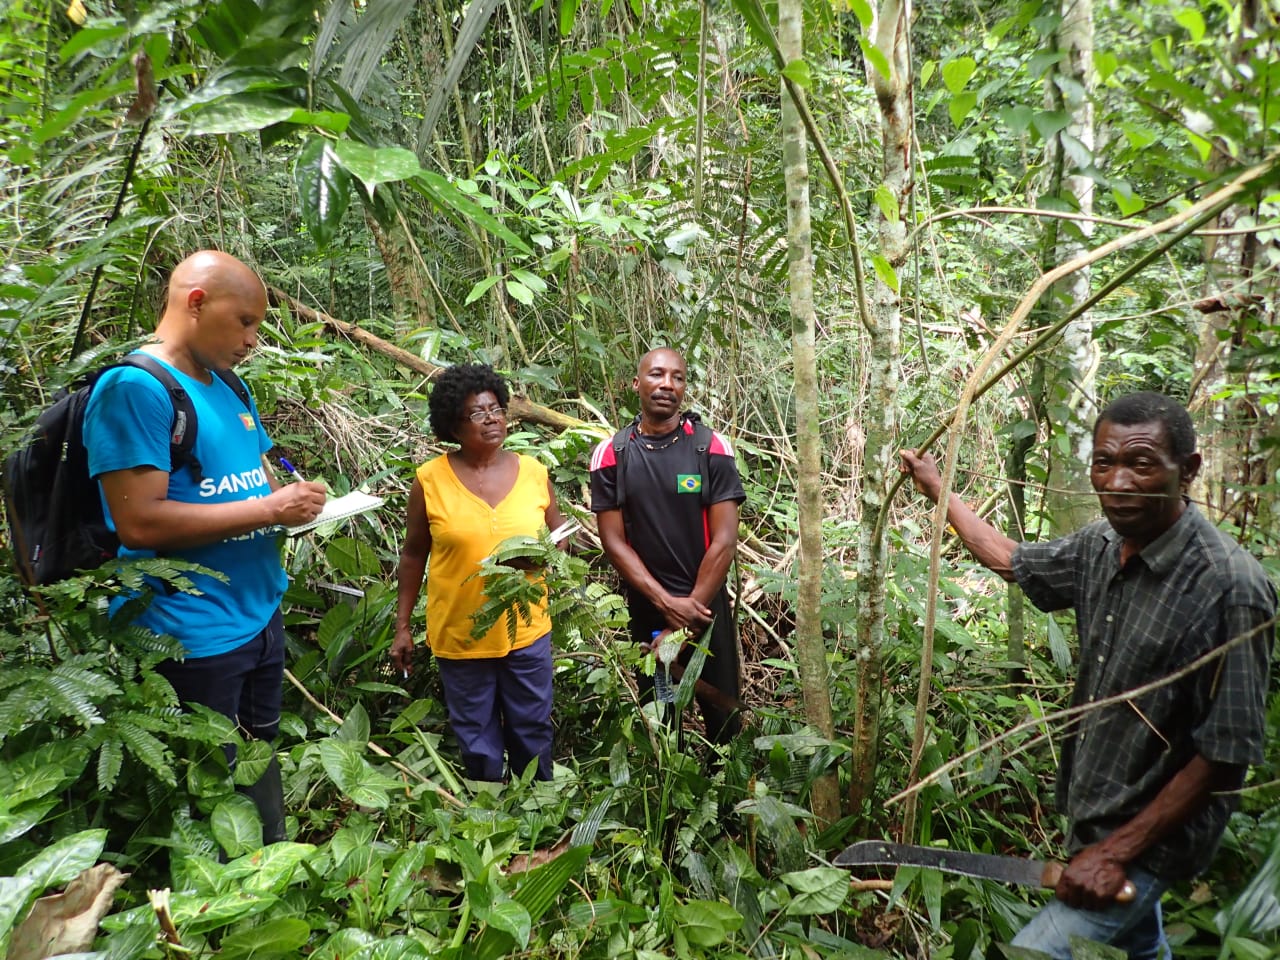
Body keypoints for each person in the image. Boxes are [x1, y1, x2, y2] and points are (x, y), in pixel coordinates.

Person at [899, 392, 1275, 959]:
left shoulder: (1230, 586)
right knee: (1142, 948)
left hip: (1153, 839)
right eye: (1105, 462)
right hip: (1097, 817)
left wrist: (1117, 852)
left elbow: (1226, 753)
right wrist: (937, 489)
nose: (1119, 482)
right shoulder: (1099, 545)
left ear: (1188, 470)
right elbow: (1009, 558)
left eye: (1142, 463)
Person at [83, 250, 328, 844]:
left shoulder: (229, 386)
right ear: (196, 302)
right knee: (208, 783)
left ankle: (271, 869)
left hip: (258, 614)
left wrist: (293, 501)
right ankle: (220, 907)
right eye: (244, 321)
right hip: (189, 631)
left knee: (257, 752)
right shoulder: (135, 389)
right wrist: (272, 509)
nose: (253, 340)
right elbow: (138, 521)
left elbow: (253, 481)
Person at [392, 363, 565, 782]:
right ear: (453, 424)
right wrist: (402, 626)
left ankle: (539, 810)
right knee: (476, 735)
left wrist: (539, 558)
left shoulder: (534, 473)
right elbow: (414, 555)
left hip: (525, 631)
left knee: (532, 726)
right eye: (477, 413)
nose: (491, 419)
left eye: (496, 409)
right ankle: (489, 817)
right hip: (460, 632)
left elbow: (563, 538)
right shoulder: (430, 480)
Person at [589, 347, 746, 743]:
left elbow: (725, 540)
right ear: (636, 384)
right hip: (648, 613)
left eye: (677, 377)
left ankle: (725, 800)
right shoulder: (613, 454)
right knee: (662, 717)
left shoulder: (710, 448)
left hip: (706, 613)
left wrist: (685, 619)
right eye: (657, 375)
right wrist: (665, 608)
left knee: (724, 719)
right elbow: (613, 541)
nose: (667, 385)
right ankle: (665, 801)